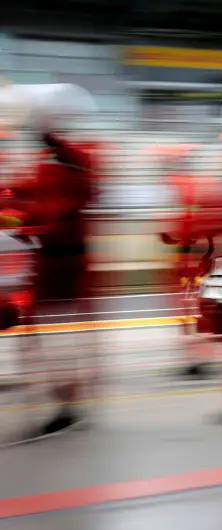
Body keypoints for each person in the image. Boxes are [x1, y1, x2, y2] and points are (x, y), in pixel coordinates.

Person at [4, 84, 101, 434]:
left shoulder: (59, 165)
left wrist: (17, 221)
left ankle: (66, 399)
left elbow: (47, 216)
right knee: (54, 332)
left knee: (44, 332)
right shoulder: (74, 161)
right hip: (70, 259)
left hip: (56, 261)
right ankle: (69, 397)